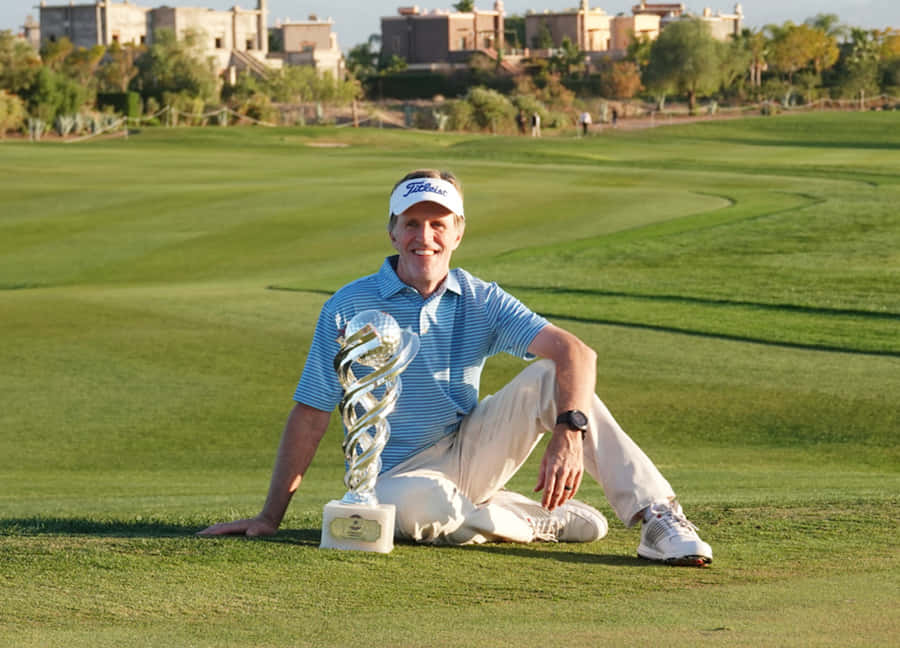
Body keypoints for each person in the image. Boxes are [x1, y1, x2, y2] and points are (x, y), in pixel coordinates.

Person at [199, 169, 713, 566]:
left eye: (438, 224)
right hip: (393, 476)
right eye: (412, 224)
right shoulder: (347, 305)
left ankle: (658, 518)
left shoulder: (481, 298)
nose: (425, 236)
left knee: (547, 376)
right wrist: (271, 517)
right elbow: (312, 411)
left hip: (470, 449)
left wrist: (569, 432)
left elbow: (577, 353)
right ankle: (520, 521)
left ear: (459, 232)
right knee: (412, 505)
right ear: (392, 232)